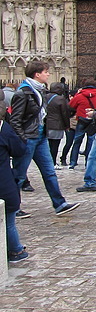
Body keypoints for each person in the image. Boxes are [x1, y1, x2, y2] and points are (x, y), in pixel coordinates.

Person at [10, 60, 80, 217]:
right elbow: (15, 120)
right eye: (46, 72)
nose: (48, 74)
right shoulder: (23, 92)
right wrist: (23, 138)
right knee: (19, 175)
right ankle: (12, 208)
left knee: (49, 172)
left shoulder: (39, 91)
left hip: (40, 136)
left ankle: (59, 204)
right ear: (37, 74)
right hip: (29, 137)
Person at [1, 100, 29, 262]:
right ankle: (16, 251)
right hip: (4, 182)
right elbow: (19, 150)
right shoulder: (5, 130)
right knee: (9, 221)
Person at [67, 79, 96, 169]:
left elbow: (71, 105)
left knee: (77, 141)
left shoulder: (80, 95)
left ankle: (73, 162)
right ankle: (88, 162)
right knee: (90, 141)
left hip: (82, 119)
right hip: (93, 120)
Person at [45, 82, 72, 169]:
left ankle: (49, 162)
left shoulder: (45, 97)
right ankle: (52, 162)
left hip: (47, 124)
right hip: (57, 124)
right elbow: (64, 113)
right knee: (55, 145)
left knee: (48, 145)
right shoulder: (60, 99)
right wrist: (67, 125)